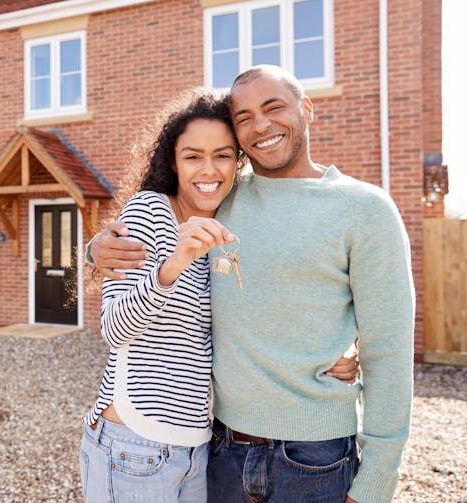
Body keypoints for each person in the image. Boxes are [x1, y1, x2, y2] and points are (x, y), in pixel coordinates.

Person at [88, 65, 414, 503]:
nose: (260, 125)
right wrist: (93, 248)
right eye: (243, 117)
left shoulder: (364, 208)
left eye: (274, 107)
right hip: (221, 452)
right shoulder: (223, 196)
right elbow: (156, 223)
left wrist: (376, 482)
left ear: (307, 109)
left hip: (315, 459)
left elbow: (389, 351)